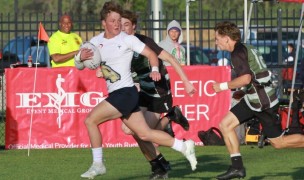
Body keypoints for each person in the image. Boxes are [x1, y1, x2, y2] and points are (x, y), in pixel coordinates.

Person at [76, 2, 197, 179]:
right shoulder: (96, 41)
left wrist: (155, 70)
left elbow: (152, 55)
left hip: (127, 92)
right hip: (128, 93)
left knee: (90, 120)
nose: (117, 24)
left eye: (120, 21)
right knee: (143, 133)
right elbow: (79, 65)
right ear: (104, 23)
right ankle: (183, 147)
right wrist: (80, 57)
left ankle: (98, 164)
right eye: (114, 21)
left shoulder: (128, 39)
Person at [212, 21, 304, 180]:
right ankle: (237, 168)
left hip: (263, 103)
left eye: (217, 38)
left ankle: (237, 168)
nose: (216, 42)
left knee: (279, 143)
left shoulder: (237, 53)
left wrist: (223, 85)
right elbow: (255, 75)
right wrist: (242, 92)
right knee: (225, 124)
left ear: (227, 38)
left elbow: (246, 78)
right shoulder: (247, 47)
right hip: (253, 99)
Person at [120, 10, 196, 179]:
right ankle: (160, 162)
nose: (123, 28)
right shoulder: (121, 43)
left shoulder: (144, 41)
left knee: (143, 132)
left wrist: (186, 81)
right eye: (120, 25)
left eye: (126, 25)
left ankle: (160, 165)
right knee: (130, 128)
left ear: (134, 26)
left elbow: (171, 59)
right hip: (143, 92)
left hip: (158, 92)